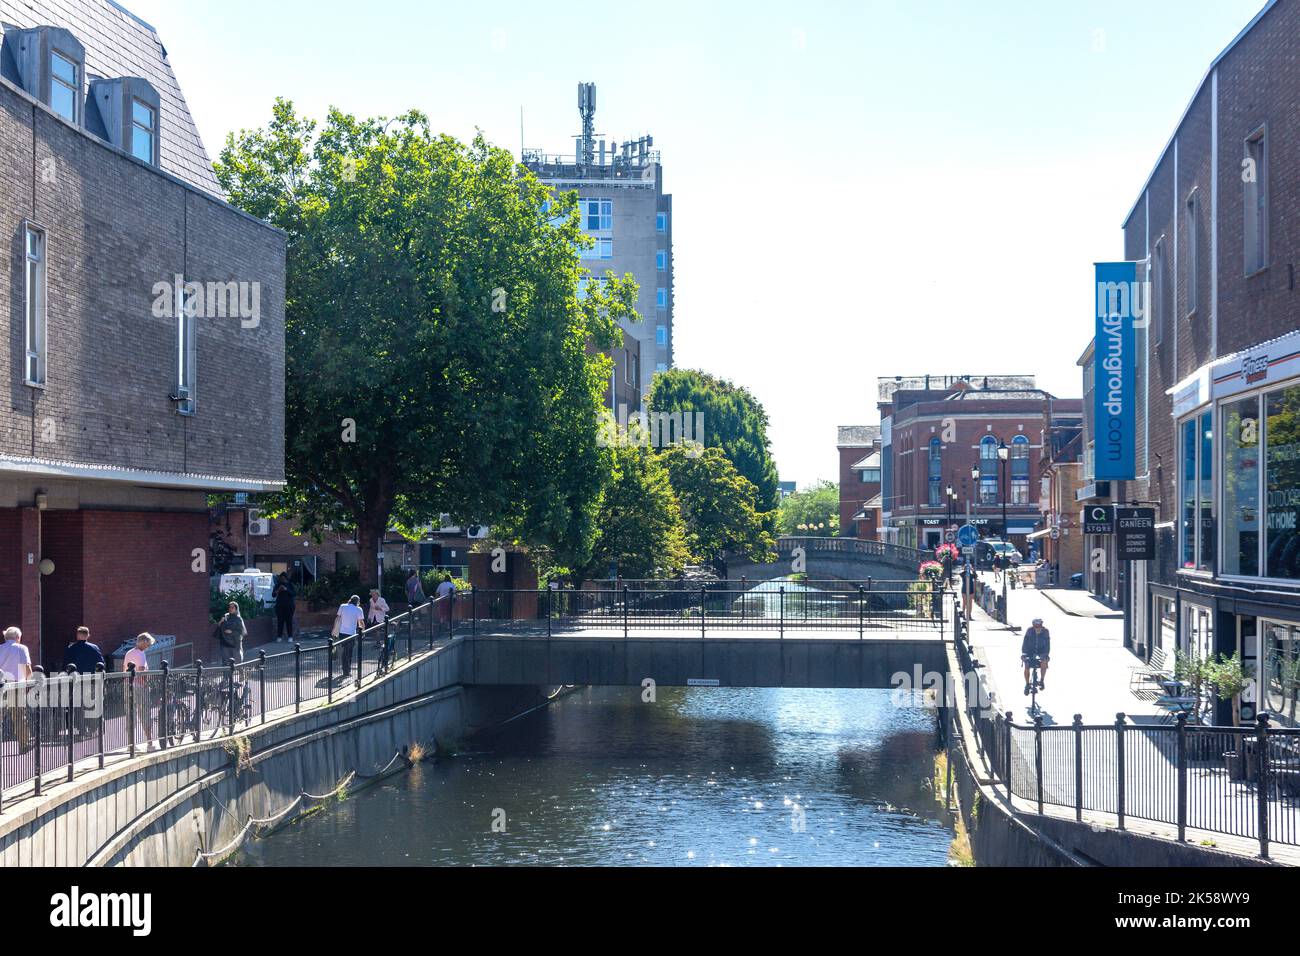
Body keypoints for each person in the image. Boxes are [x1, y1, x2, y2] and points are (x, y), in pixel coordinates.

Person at [62, 626, 104, 737]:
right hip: (91, 680)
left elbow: (65, 664)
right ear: (88, 635)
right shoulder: (94, 648)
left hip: (76, 681)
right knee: (90, 705)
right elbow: (101, 662)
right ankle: (92, 728)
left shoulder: (71, 648)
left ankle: (81, 729)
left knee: (78, 706)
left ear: (77, 635)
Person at [0, 627, 32, 752]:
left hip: (1, 685)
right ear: (18, 637)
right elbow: (26, 666)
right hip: (16, 685)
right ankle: (24, 744)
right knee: (19, 716)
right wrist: (30, 682)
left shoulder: (0, 648)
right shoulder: (22, 648)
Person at [124, 633, 157, 751]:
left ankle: (131, 744)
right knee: (145, 714)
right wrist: (146, 684)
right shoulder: (140, 654)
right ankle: (150, 743)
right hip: (140, 687)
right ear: (142, 642)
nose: (148, 647)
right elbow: (142, 671)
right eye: (148, 644)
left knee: (130, 713)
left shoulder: (129, 653)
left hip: (128, 686)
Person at [335, 595, 366, 679]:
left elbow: (338, 618)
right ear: (358, 602)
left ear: (350, 600)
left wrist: (334, 629)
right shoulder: (358, 609)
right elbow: (361, 621)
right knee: (349, 652)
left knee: (345, 650)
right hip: (351, 633)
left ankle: (345, 669)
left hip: (342, 632)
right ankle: (347, 670)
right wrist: (363, 631)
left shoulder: (343, 606)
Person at [1021, 617, 1051, 695]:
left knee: (1044, 662)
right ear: (1033, 626)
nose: (1037, 629)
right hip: (1030, 651)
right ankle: (1027, 684)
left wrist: (1045, 654)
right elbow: (1025, 642)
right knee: (1026, 665)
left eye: (1039, 627)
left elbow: (1047, 644)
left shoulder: (1045, 631)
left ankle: (1042, 680)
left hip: (1042, 651)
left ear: (1041, 626)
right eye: (1036, 627)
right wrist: (1024, 653)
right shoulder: (1029, 631)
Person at [272, 573, 297, 640]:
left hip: (289, 606)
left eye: (284, 578)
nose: (282, 580)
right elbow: (273, 595)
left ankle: (290, 636)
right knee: (280, 621)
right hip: (280, 605)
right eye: (281, 578)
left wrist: (286, 589)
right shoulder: (277, 585)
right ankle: (279, 636)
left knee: (289, 621)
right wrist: (278, 590)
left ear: (286, 578)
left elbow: (294, 594)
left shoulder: (290, 585)